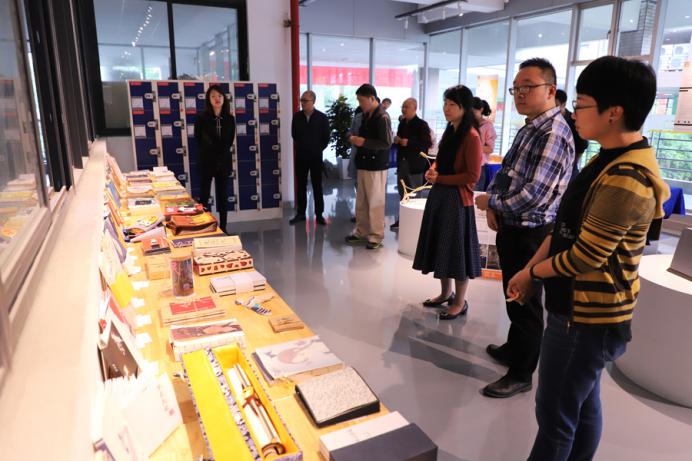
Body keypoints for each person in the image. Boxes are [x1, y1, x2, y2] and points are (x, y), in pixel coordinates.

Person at [506, 56, 669, 460]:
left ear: (614, 112)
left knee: (556, 416)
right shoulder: (606, 158)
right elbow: (564, 227)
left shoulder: (627, 175)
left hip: (587, 317)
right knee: (581, 404)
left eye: (581, 104)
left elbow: (585, 255)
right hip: (576, 308)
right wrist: (530, 270)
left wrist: (533, 273)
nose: (573, 112)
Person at [474, 58, 575, 398]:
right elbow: (508, 173)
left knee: (526, 301)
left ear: (550, 89)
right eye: (516, 88)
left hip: (533, 232)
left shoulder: (553, 132)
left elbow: (534, 195)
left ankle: (521, 373)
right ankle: (515, 350)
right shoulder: (531, 126)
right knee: (514, 296)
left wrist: (491, 202)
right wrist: (496, 207)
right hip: (514, 226)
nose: (519, 93)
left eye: (527, 87)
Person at [413, 85, 482, 319]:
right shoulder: (451, 130)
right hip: (441, 197)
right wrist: (433, 169)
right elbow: (441, 160)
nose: (446, 108)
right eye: (445, 103)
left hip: (457, 201)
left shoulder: (471, 136)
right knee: (441, 249)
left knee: (456, 253)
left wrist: (440, 178)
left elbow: (472, 176)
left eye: (452, 104)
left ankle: (459, 302)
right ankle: (445, 293)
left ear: (465, 108)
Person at [345, 84, 392, 250]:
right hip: (363, 163)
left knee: (375, 202)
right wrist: (355, 139)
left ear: (372, 98)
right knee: (362, 201)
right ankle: (362, 230)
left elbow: (386, 143)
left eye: (361, 100)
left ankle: (376, 235)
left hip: (376, 166)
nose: (360, 104)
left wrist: (363, 142)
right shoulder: (366, 115)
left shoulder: (382, 117)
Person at [194, 84, 236, 233]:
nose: (217, 99)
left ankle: (223, 228)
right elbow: (198, 139)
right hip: (207, 161)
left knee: (222, 196)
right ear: (208, 100)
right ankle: (203, 227)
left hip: (223, 162)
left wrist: (220, 152)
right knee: (204, 195)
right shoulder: (202, 118)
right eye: (213, 96)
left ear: (224, 98)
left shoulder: (230, 119)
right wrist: (212, 151)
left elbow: (229, 141)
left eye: (219, 96)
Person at [391, 98, 432, 230]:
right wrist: (397, 139)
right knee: (402, 193)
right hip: (402, 163)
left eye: (406, 107)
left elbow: (427, 144)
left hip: (415, 165)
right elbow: (400, 140)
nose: (403, 109)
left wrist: (409, 142)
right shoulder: (402, 123)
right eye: (402, 106)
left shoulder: (421, 125)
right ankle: (403, 219)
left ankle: (415, 223)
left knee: (415, 193)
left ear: (414, 108)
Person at [290, 90, 330, 225]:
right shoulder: (297, 117)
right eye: (301, 100)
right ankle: (301, 213)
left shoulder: (322, 118)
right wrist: (302, 147)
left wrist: (317, 149)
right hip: (301, 156)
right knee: (301, 185)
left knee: (317, 185)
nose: (302, 103)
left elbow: (326, 138)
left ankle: (319, 214)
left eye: (305, 100)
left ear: (313, 101)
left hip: (316, 157)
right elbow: (294, 135)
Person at [556, 89, 589, 178]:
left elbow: (582, 146)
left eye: (556, 106)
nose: (553, 109)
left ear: (564, 105)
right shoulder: (550, 120)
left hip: (569, 169)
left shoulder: (574, 121)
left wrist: (572, 163)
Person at [471, 97, 497, 191]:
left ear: (481, 110)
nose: (471, 114)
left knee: (474, 194)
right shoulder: (468, 124)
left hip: (479, 167)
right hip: (465, 165)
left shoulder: (488, 126)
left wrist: (473, 146)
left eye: (474, 111)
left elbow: (490, 149)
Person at [348, 106, 363, 223]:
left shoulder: (381, 117)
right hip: (357, 155)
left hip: (370, 161)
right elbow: (350, 133)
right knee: (358, 186)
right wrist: (352, 137)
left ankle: (363, 215)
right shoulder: (358, 116)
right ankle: (360, 214)